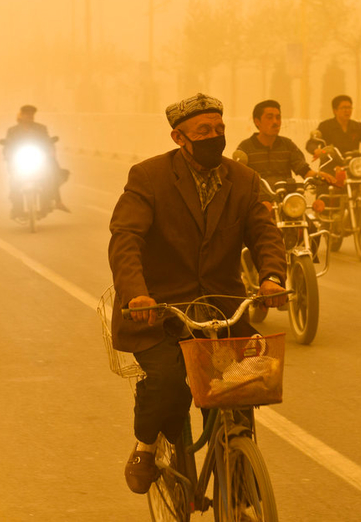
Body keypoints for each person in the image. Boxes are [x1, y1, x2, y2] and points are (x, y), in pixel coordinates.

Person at [108, 92, 288, 494]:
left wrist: (272, 276)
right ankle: (147, 444)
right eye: (203, 130)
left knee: (241, 389)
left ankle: (239, 483)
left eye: (220, 129)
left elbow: (264, 233)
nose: (214, 136)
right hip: (160, 311)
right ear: (178, 137)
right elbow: (126, 239)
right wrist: (137, 294)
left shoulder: (244, 180)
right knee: (169, 381)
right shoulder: (149, 177)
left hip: (223, 309)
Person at [235, 99, 320, 202]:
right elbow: (239, 178)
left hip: (286, 202)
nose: (275, 122)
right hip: (257, 203)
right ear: (257, 122)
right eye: (269, 118)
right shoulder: (245, 148)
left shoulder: (288, 145)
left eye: (278, 117)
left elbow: (304, 170)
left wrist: (321, 176)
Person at [311, 95, 361, 207]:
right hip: (331, 166)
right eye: (343, 108)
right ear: (335, 110)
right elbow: (312, 142)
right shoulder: (326, 126)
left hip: (352, 167)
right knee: (324, 185)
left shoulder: (356, 126)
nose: (347, 110)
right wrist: (316, 150)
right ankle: (325, 216)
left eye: (349, 107)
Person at [3, 104, 69, 219]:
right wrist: (8, 154)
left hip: (38, 159)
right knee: (14, 182)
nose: (29, 116)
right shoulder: (12, 131)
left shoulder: (41, 128)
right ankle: (16, 209)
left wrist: (50, 151)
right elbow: (7, 147)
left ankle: (51, 203)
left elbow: (48, 142)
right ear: (21, 115)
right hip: (19, 161)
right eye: (27, 114)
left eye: (31, 114)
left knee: (49, 176)